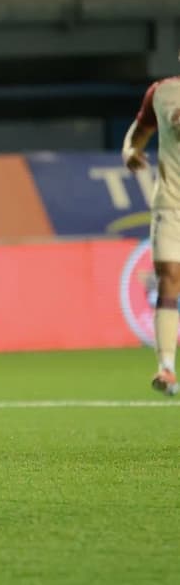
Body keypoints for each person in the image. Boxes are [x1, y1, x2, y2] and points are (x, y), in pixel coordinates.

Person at [122, 55, 180, 396]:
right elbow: (140, 131)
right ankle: (166, 368)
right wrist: (131, 150)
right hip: (170, 202)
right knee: (168, 277)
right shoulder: (161, 92)